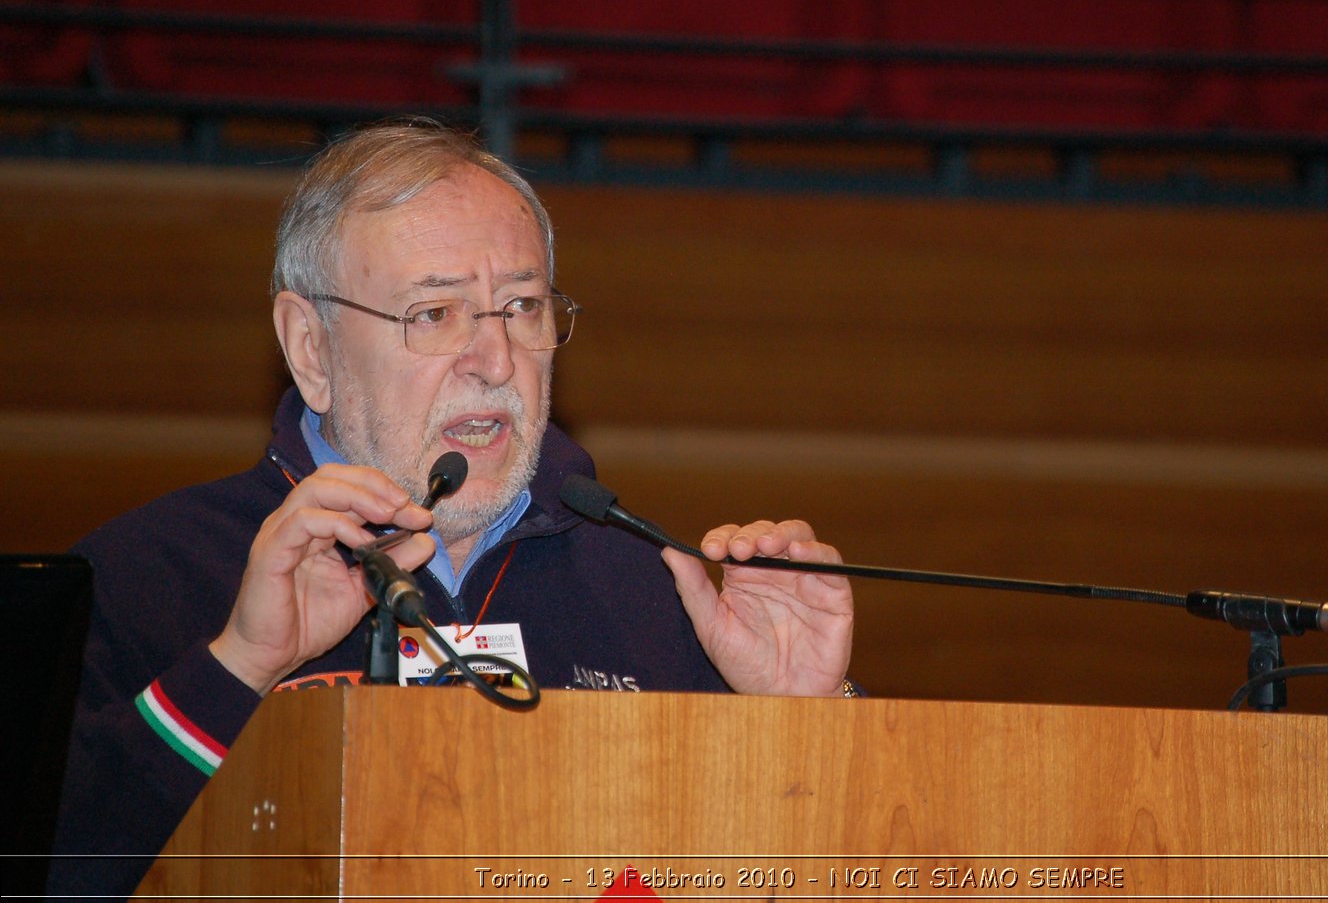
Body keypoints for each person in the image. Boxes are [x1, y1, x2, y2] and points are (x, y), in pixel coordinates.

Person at [49, 118, 855, 899]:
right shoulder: (135, 580)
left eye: (524, 307)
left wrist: (810, 727)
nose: (496, 358)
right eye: (435, 314)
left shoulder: (659, 595)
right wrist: (237, 669)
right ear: (311, 348)